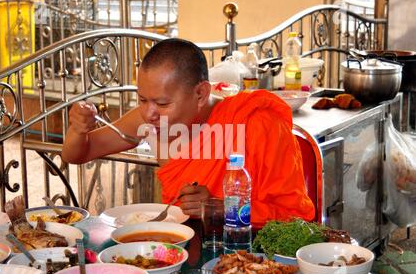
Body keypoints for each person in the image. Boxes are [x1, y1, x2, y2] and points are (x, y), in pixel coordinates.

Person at [61, 38, 315, 229]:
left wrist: (218, 205)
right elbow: (78, 153)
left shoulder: (259, 122)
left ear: (201, 94)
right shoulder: (151, 119)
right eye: (141, 99)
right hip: (177, 249)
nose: (149, 113)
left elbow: (295, 216)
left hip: (248, 255)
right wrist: (78, 129)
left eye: (162, 104)